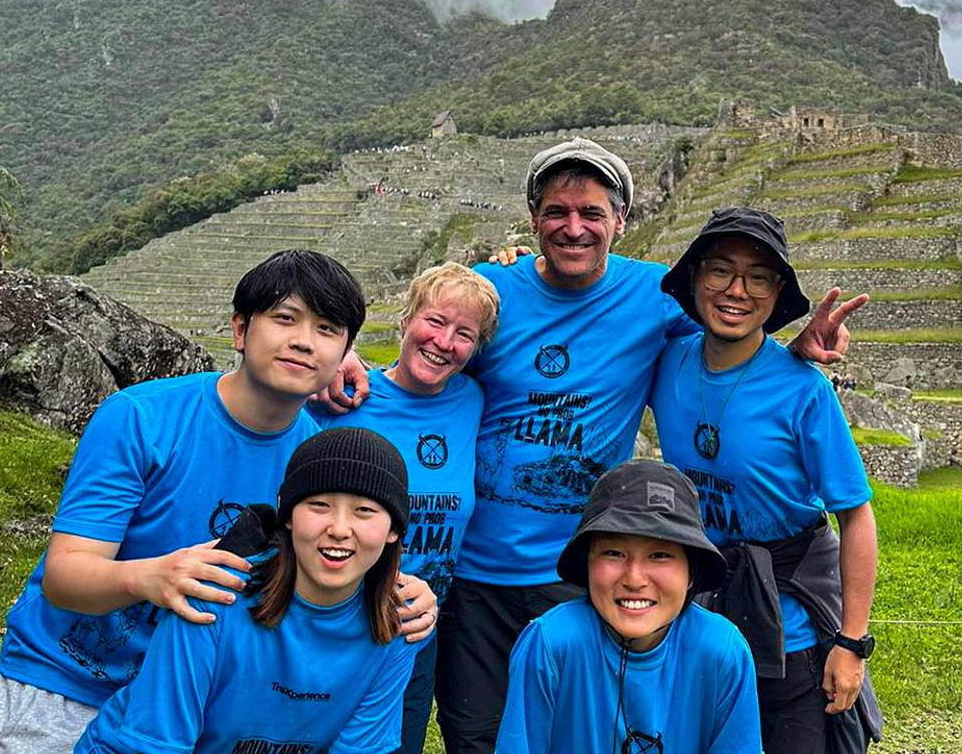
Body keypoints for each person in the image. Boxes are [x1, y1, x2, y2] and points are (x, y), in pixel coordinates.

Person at [317, 139, 865, 754]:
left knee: (585, 734)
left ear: (620, 220)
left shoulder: (657, 296)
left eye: (592, 213)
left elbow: (733, 330)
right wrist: (344, 357)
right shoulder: (494, 287)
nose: (573, 228)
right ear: (533, 217)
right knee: (477, 736)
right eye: (557, 211)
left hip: (581, 574)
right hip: (475, 579)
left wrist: (793, 352)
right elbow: (429, 337)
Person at [0, 250, 436, 754]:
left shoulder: (314, 464)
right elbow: (65, 578)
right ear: (240, 330)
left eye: (327, 329)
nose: (303, 341)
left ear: (346, 352)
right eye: (285, 318)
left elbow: (327, 559)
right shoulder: (141, 419)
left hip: (206, 697)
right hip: (69, 679)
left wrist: (404, 591)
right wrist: (152, 577)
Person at [650, 207, 882, 753]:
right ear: (694, 278)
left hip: (790, 635)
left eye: (758, 278)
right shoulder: (666, 362)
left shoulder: (803, 390)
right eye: (720, 270)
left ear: (777, 295)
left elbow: (855, 516)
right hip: (696, 618)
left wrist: (852, 643)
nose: (737, 291)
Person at [73, 427, 418, 754]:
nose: (339, 529)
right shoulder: (213, 595)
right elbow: (157, 744)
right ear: (288, 514)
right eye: (319, 505)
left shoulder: (402, 623)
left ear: (394, 530)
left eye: (364, 511)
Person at [311, 262, 499, 754]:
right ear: (405, 319)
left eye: (464, 334)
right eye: (434, 321)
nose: (444, 342)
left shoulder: (473, 399)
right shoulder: (341, 398)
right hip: (334, 625)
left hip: (414, 630)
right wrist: (336, 357)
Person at [497, 460, 762, 754]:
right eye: (614, 553)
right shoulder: (551, 643)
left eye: (659, 555)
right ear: (588, 564)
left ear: (691, 573)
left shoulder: (722, 651)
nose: (635, 579)